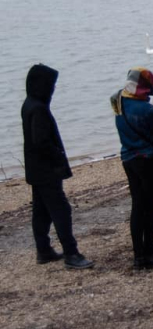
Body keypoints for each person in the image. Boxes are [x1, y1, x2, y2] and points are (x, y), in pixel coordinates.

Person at [22, 64, 93, 269]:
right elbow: (41, 141)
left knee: (41, 210)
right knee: (61, 210)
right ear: (41, 85)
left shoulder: (29, 104)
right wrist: (58, 157)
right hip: (46, 171)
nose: (52, 90)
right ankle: (72, 253)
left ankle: (43, 250)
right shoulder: (38, 108)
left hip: (36, 170)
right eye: (51, 85)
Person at [111, 68, 153, 269]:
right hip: (147, 159)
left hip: (128, 158)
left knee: (138, 206)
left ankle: (138, 255)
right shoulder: (146, 110)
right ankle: (149, 250)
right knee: (151, 206)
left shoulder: (118, 100)